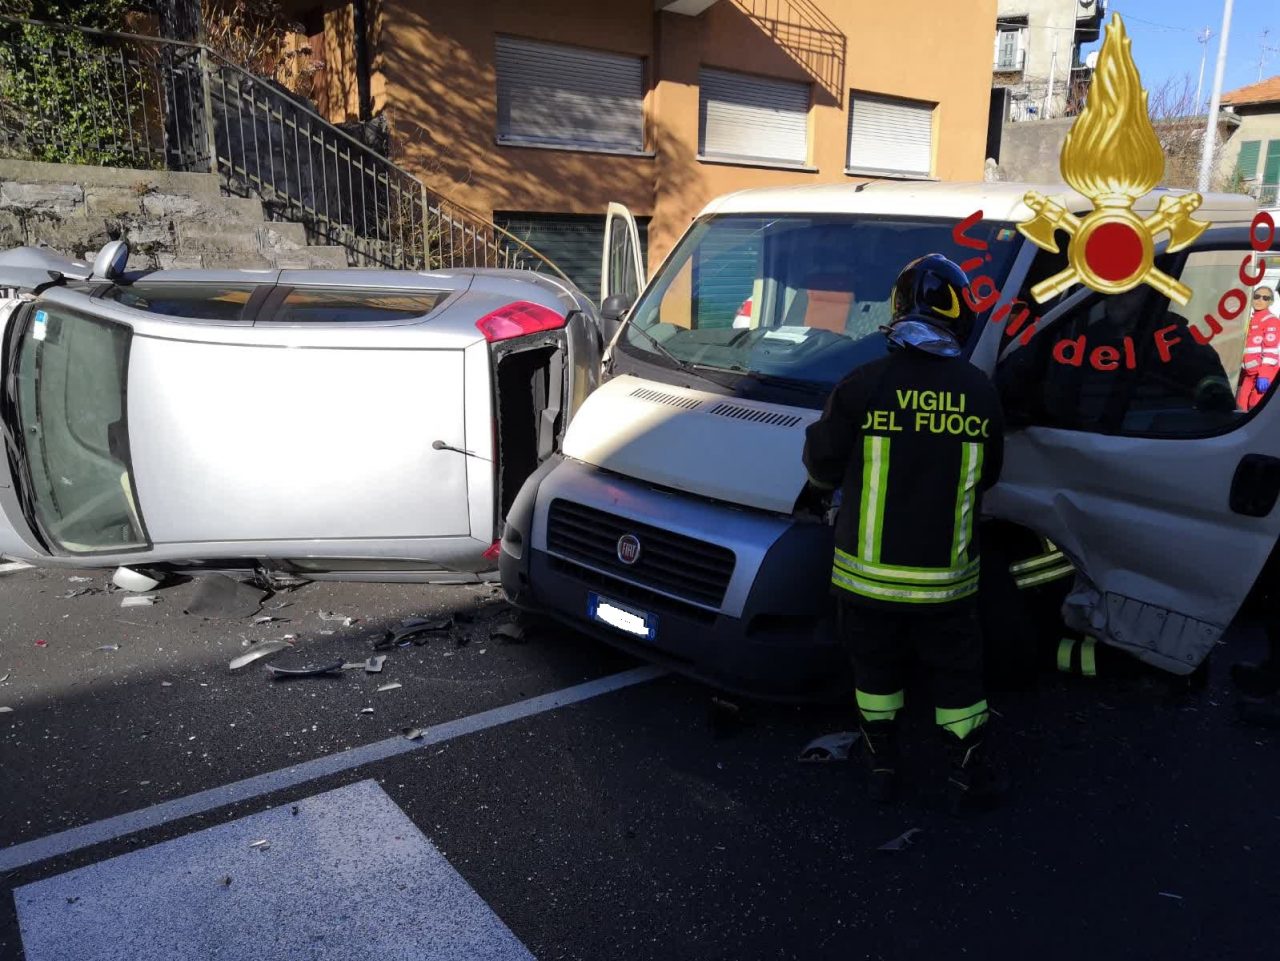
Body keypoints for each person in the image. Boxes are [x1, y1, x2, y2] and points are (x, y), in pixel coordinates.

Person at [802, 253, 1006, 812]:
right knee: (960, 683)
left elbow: (820, 467)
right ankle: (968, 778)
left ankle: (882, 768)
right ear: (959, 314)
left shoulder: (862, 384)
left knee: (874, 677)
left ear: (897, 312)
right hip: (948, 586)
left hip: (867, 586)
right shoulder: (980, 392)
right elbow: (989, 477)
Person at [1238, 286, 1280, 412]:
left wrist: (1265, 375)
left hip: (1263, 373)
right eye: (1256, 296)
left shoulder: (1271, 321)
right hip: (1249, 373)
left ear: (1270, 302)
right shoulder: (1249, 320)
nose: (1260, 300)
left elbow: (1271, 351)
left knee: (1255, 408)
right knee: (1240, 405)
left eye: (1265, 298)